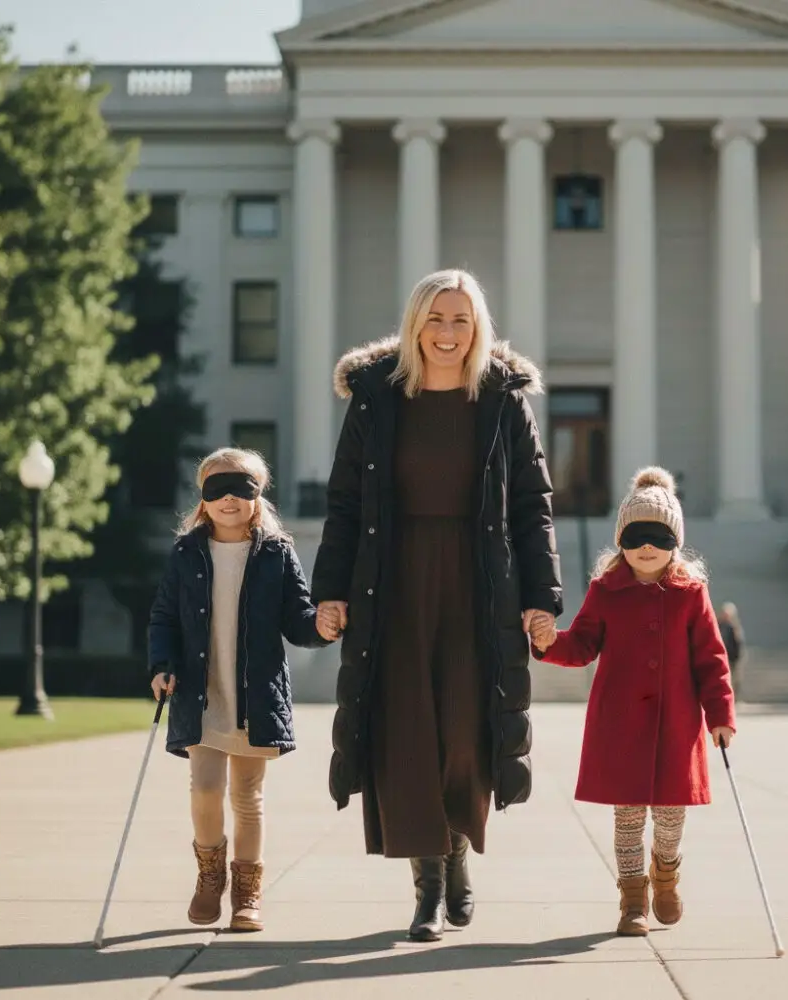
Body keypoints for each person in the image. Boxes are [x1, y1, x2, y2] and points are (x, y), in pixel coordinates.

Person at [311, 268, 561, 942]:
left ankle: (456, 857)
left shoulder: (502, 401)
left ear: (478, 328)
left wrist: (542, 598)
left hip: (479, 583)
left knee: (463, 732)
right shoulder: (376, 398)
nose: (448, 333)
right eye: (436, 319)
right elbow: (344, 503)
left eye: (462, 320)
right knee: (407, 736)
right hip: (392, 580)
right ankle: (426, 890)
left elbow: (532, 510)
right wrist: (330, 591)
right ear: (414, 324)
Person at [530, 467, 735, 937]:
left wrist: (720, 715)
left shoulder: (690, 594)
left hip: (676, 724)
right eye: (637, 535)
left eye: (659, 536)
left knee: (668, 817)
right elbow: (581, 645)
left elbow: (711, 658)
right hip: (620, 723)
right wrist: (546, 643)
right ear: (622, 539)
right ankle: (631, 900)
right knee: (626, 819)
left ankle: (665, 874)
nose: (648, 546)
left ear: (675, 542)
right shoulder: (606, 591)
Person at [148, 447, 336, 932]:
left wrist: (323, 626)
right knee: (206, 789)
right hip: (200, 691)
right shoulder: (186, 553)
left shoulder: (276, 554)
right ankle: (211, 876)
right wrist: (162, 665)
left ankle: (247, 894)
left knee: (248, 796)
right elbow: (164, 618)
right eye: (217, 489)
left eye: (241, 488)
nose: (229, 498)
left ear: (258, 498)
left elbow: (298, 620)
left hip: (254, 695)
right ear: (203, 500)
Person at [717, 602, 745, 691]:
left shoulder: (734, 627)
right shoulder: (718, 625)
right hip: (721, 657)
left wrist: (737, 658)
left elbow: (738, 644)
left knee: (733, 679)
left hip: (731, 658)